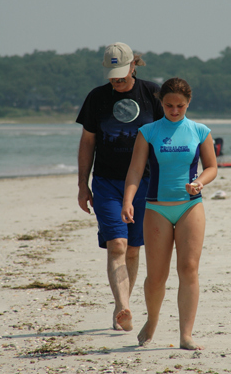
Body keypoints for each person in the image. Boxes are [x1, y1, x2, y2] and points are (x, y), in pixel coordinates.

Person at [121, 77, 217, 350]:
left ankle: (185, 335)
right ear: (161, 103)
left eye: (180, 106)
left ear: (188, 104)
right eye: (169, 105)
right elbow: (136, 170)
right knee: (157, 276)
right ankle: (152, 320)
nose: (174, 111)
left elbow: (212, 167)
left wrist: (200, 181)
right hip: (156, 209)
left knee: (188, 269)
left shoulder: (200, 131)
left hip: (190, 206)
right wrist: (128, 200)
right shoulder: (148, 131)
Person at [76, 42, 163, 331]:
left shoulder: (153, 94)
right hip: (106, 183)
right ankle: (124, 306)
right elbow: (88, 142)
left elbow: (168, 136)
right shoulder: (97, 98)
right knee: (116, 245)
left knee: (134, 249)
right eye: (113, 74)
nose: (117, 79)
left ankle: (120, 302)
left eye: (122, 74)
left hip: (145, 182)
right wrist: (82, 184)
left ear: (133, 66)